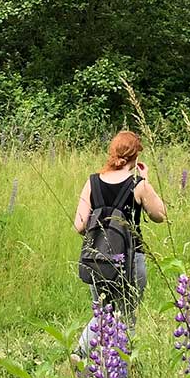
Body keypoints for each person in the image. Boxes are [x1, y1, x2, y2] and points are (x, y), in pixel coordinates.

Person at [72, 131, 167, 348]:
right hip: (131, 259)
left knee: (102, 313)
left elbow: (79, 225)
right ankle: (121, 368)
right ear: (135, 157)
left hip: (98, 259)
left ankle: (85, 355)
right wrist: (146, 181)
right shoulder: (138, 184)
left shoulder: (92, 182)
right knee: (126, 316)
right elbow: (160, 215)